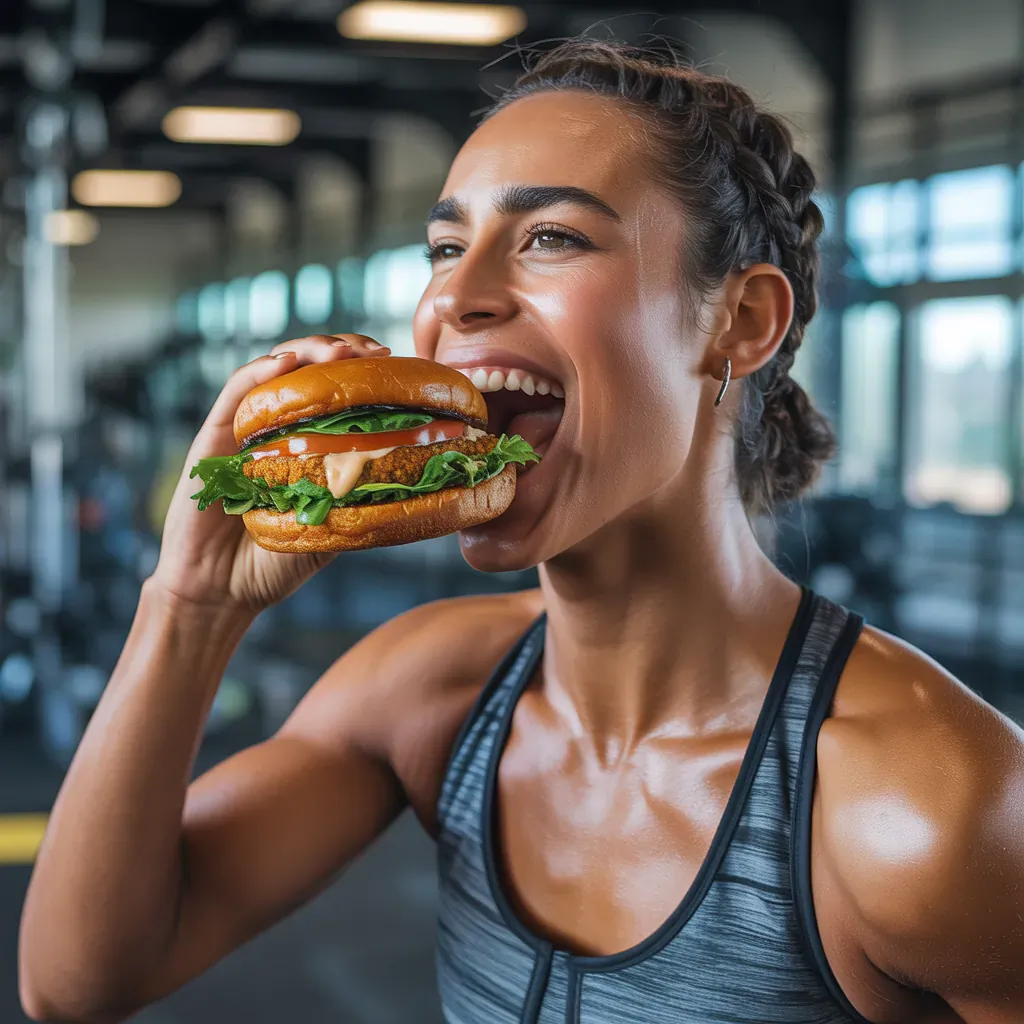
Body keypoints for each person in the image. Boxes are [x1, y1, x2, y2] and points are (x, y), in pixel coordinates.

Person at [18, 39, 1024, 1024]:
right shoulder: (428, 691)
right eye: (446, 248)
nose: (453, 296)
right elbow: (80, 980)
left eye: (551, 236)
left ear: (740, 323)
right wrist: (189, 605)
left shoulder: (934, 807)